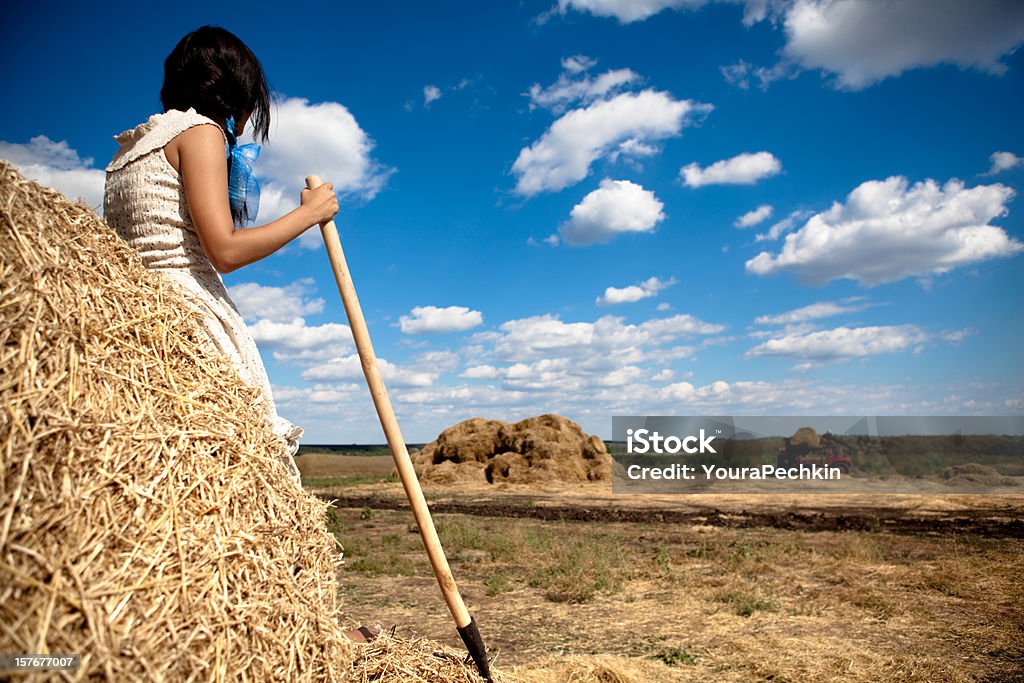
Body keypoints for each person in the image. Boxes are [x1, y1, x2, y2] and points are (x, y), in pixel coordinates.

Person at [103, 26, 337, 478]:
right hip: (187, 315)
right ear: (234, 91)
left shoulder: (128, 151)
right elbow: (225, 250)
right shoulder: (200, 132)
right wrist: (309, 213)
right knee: (240, 460)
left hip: (134, 318)